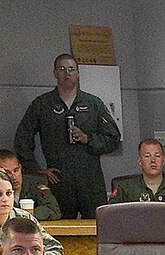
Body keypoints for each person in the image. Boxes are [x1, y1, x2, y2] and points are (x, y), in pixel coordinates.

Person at [13, 54, 123, 218]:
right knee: (59, 230)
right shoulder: (42, 104)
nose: (67, 73)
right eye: (62, 69)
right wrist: (37, 171)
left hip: (90, 180)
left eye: (71, 69)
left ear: (78, 74)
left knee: (97, 229)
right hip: (58, 181)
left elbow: (113, 138)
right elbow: (22, 139)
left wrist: (88, 139)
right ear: (55, 73)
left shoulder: (93, 103)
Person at [109, 139, 165, 206]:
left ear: (163, 160)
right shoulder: (125, 189)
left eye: (157, 156)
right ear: (140, 161)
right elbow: (109, 215)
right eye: (147, 156)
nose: (153, 160)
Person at [0, 148, 62, 221]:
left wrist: (23, 215)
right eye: (7, 173)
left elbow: (54, 210)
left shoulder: (35, 187)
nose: (14, 176)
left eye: (16, 170)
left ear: (20, 168)